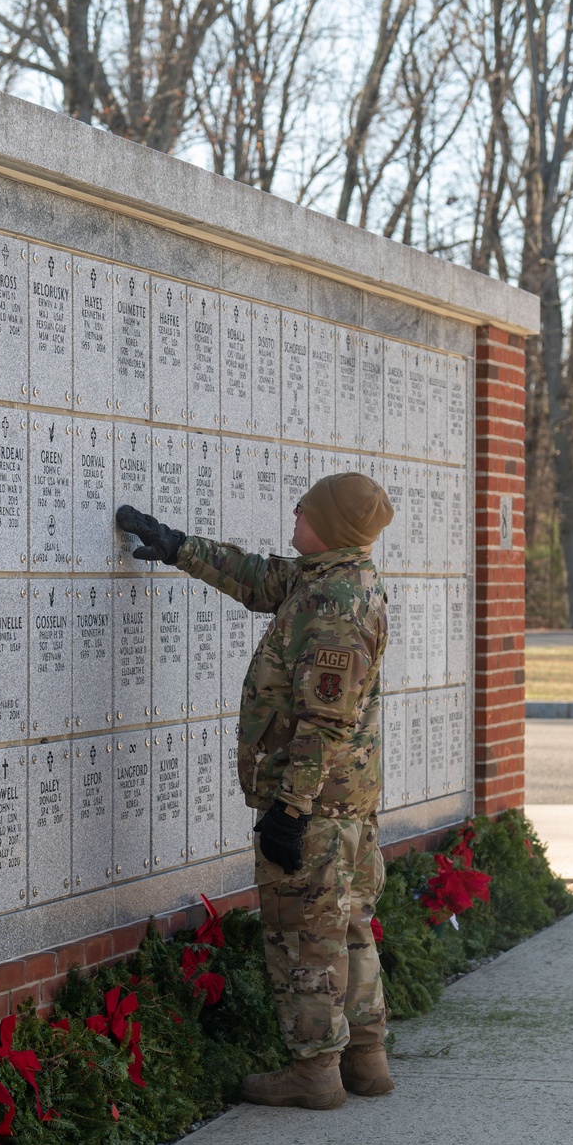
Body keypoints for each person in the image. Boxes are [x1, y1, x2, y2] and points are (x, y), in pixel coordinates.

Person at [116, 472, 394, 1110]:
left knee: (306, 933)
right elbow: (259, 579)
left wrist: (290, 810)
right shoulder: (329, 578)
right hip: (345, 798)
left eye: (308, 505)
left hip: (316, 802)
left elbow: (326, 718)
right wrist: (178, 545)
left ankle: (315, 1071)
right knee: (349, 924)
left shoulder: (336, 607)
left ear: (334, 523)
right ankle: (366, 1057)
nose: (296, 510)